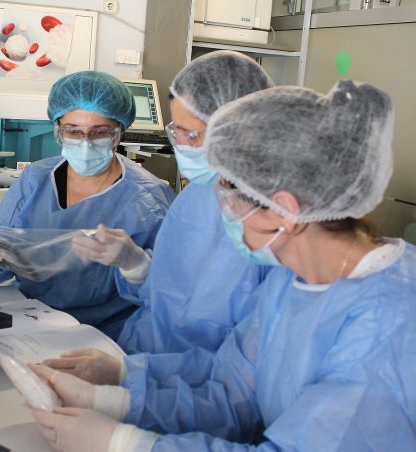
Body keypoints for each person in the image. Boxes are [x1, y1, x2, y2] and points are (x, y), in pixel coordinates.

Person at [29, 80, 416, 452]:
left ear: (283, 209)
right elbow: (232, 390)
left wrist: (124, 446)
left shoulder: (393, 323)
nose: (220, 210)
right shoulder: (293, 279)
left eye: (228, 194)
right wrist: (113, 400)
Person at [57, 52, 273, 374]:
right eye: (176, 130)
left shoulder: (274, 226)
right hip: (138, 352)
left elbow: (241, 371)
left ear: (240, 131)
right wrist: (137, 266)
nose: (180, 144)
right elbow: (168, 299)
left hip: (184, 383)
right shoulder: (199, 194)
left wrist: (131, 379)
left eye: (190, 134)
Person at [0, 71, 175, 340]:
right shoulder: (35, 179)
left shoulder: (149, 199)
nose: (85, 143)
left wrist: (135, 264)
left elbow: (167, 295)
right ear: (57, 129)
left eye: (100, 132)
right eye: (73, 131)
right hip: (29, 320)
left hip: (105, 334)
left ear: (119, 132)